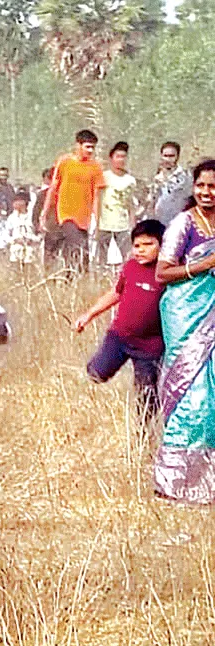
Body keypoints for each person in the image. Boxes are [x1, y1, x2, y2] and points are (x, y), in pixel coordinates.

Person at [152, 159, 215, 503]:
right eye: (201, 185)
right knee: (192, 395)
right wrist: (204, 265)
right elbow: (162, 272)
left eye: (213, 186)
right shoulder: (183, 223)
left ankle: (207, 483)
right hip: (185, 314)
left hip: (213, 317)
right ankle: (174, 482)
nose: (207, 192)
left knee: (213, 397)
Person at [74, 219, 165, 425]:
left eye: (148, 244)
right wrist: (89, 314)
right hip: (119, 337)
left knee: (147, 397)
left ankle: (144, 435)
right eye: (137, 245)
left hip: (149, 348)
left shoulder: (166, 274)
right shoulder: (130, 268)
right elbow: (116, 293)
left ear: (162, 245)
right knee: (96, 373)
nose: (141, 250)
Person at [41, 129, 106, 270]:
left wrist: (97, 221)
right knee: (77, 245)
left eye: (93, 147)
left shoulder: (95, 168)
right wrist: (44, 213)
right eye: (87, 147)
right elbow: (53, 187)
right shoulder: (64, 162)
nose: (90, 150)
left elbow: (96, 196)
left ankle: (71, 278)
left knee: (82, 255)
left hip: (84, 217)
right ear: (78, 145)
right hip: (66, 214)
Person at [95, 141, 137, 269]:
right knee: (101, 259)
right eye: (118, 156)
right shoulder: (103, 177)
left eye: (123, 157)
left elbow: (130, 203)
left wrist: (133, 223)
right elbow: (97, 199)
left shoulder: (130, 180)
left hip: (122, 225)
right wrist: (96, 222)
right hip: (104, 224)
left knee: (128, 257)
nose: (121, 160)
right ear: (111, 158)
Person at [150, 141, 190, 226]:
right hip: (160, 223)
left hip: (179, 223)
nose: (168, 159)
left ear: (177, 157)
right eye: (165, 156)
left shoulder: (186, 177)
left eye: (171, 156)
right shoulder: (156, 178)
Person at [4, 191, 40, 267]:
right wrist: (14, 240)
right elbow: (5, 234)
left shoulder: (33, 217)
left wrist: (32, 239)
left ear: (25, 202)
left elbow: (41, 234)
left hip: (31, 250)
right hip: (16, 250)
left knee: (29, 269)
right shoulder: (12, 218)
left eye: (18, 201)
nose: (15, 203)